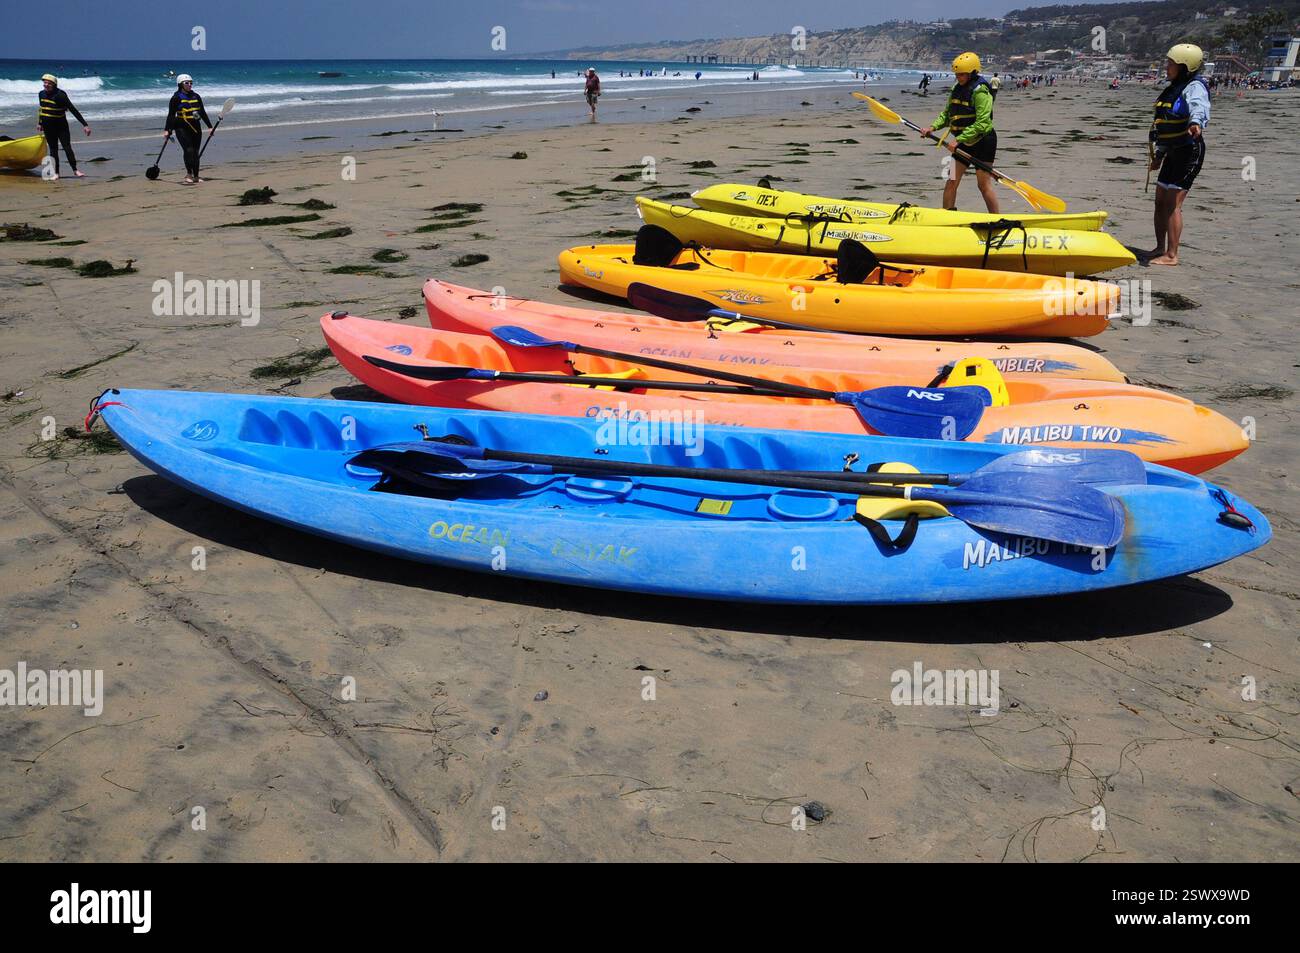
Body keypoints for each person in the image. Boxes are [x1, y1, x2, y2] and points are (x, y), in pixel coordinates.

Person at [1146, 44, 1210, 266]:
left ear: (1185, 66)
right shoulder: (1174, 87)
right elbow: (1165, 126)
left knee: (1173, 203)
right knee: (1160, 201)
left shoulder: (1194, 87)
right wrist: (1159, 155)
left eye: (1171, 63)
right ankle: (1159, 247)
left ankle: (1172, 255)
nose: (1167, 66)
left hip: (1188, 151)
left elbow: (1198, 107)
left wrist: (1195, 122)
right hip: (1172, 151)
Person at [920, 52, 999, 213]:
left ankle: (997, 219)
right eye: (957, 74)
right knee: (951, 180)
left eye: (962, 74)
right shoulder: (956, 88)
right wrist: (932, 127)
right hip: (963, 143)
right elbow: (947, 114)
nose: (959, 77)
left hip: (983, 142)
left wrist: (959, 139)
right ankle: (948, 215)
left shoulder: (980, 91)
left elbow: (983, 123)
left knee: (983, 185)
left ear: (973, 73)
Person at [37, 74, 90, 180]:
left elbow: (72, 109)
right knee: (53, 149)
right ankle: (56, 173)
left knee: (67, 147)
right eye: (45, 83)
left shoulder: (60, 95)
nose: (46, 85)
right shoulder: (41, 94)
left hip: (61, 126)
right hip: (48, 126)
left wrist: (85, 125)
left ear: (54, 84)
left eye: (48, 83)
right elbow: (42, 109)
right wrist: (40, 123)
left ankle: (75, 170)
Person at [164, 74, 212, 184]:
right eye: (187, 83)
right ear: (180, 84)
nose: (189, 85)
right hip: (181, 127)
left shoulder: (196, 96)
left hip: (196, 127)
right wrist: (167, 130)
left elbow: (202, 112)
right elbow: (171, 115)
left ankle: (196, 176)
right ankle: (188, 174)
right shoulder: (176, 98)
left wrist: (210, 126)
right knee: (188, 150)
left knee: (195, 151)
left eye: (191, 82)